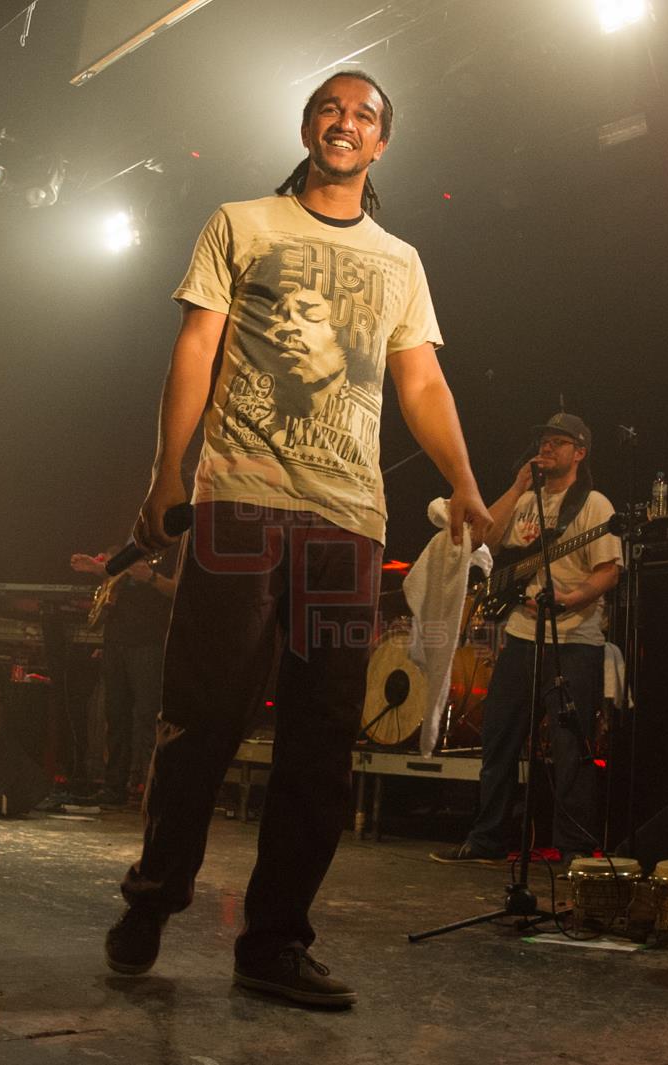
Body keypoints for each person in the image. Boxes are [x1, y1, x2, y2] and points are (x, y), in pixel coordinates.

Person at [103, 70, 491, 1008]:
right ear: (309, 125)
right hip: (239, 503)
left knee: (320, 740)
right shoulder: (242, 223)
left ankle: (274, 940)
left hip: (347, 524)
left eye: (365, 115)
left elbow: (422, 382)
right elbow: (195, 347)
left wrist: (466, 481)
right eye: (331, 108)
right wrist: (166, 471)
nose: (346, 122)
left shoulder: (400, 260)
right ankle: (155, 897)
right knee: (204, 716)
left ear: (381, 144)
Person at [430, 412, 623, 867]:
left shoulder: (594, 505)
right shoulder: (523, 501)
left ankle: (574, 848)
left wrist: (570, 598)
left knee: (571, 747)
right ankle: (487, 839)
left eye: (559, 442)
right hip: (520, 636)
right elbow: (482, 535)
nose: (547, 448)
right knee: (499, 739)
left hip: (574, 641)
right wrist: (517, 486)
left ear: (580, 453)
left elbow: (609, 572)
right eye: (544, 441)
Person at [64, 549, 175, 804]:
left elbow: (179, 590)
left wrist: (151, 577)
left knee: (148, 717)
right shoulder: (135, 543)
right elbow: (114, 572)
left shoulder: (176, 548)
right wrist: (96, 568)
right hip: (116, 639)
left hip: (149, 641)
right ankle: (114, 787)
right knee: (115, 716)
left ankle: (152, 789)